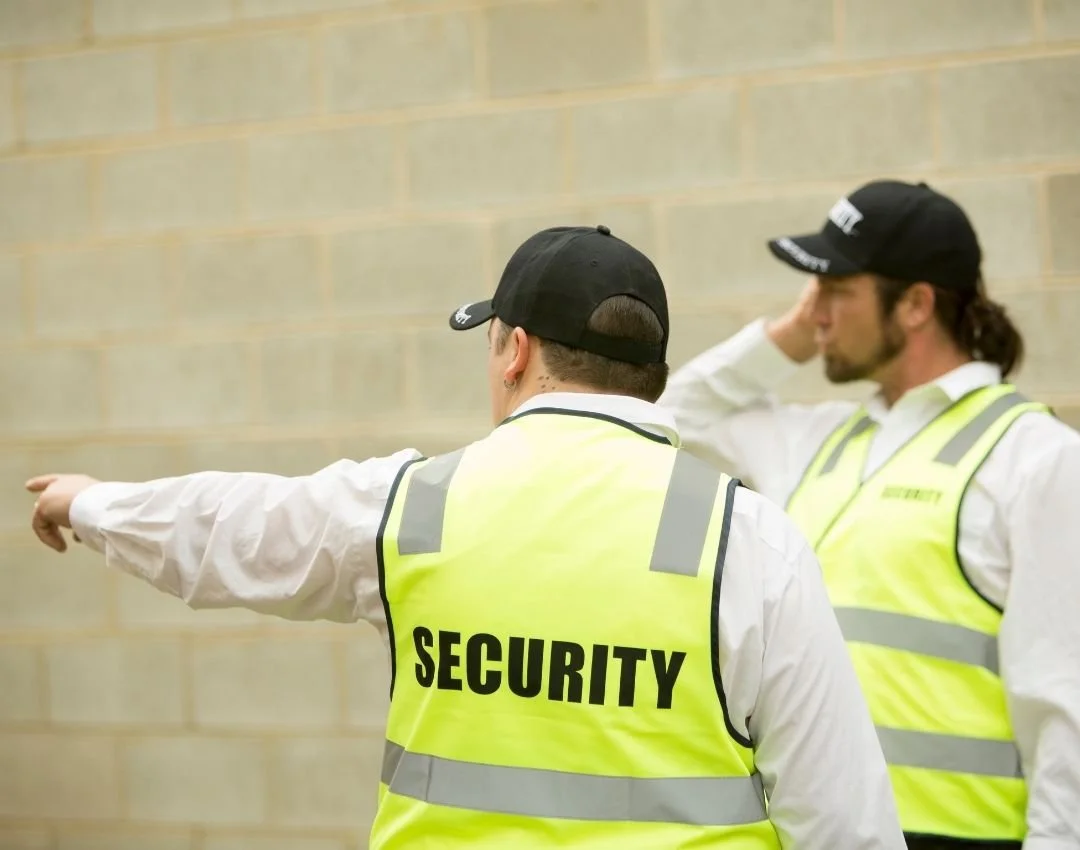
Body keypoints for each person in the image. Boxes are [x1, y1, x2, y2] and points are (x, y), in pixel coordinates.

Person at [27, 225, 905, 849]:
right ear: (651, 376)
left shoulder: (412, 506)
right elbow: (846, 824)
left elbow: (232, 530)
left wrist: (91, 505)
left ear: (515, 351)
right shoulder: (748, 538)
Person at [660, 180, 1080, 850]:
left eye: (836, 291)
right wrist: (789, 337)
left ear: (916, 304)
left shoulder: (1037, 458)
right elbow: (665, 420)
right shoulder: (817, 439)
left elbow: (1065, 707)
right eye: (812, 294)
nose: (816, 312)